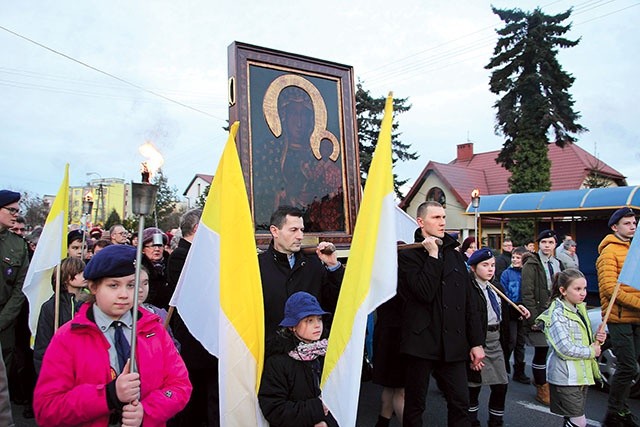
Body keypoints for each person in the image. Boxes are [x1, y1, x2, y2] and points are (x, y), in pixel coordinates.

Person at [33, 244, 192, 427]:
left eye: (132, 285)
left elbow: (180, 385)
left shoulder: (155, 330)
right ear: (93, 287)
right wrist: (109, 395)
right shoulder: (68, 337)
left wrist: (147, 411)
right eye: (113, 285)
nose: (124, 295)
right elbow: (47, 408)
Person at [398, 201, 485, 426]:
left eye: (444, 217)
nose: (443, 222)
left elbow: (469, 301)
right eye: (436, 217)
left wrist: (476, 342)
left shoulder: (456, 256)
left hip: (454, 343)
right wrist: (433, 256)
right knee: (415, 405)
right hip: (421, 343)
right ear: (421, 221)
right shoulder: (408, 255)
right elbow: (424, 292)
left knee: (460, 402)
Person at [166, 208, 219, 427]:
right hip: (193, 338)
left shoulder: (199, 255)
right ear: (198, 229)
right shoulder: (181, 256)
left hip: (205, 337)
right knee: (195, 396)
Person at [258, 206, 344, 341]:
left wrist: (334, 266)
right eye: (293, 230)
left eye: (302, 230)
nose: (300, 236)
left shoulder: (314, 265)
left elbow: (337, 305)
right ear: (275, 231)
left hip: (312, 354)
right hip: (272, 352)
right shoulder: (258, 267)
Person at [467, 248, 530, 427]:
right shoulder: (469, 289)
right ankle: (471, 421)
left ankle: (496, 421)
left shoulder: (496, 286)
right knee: (473, 385)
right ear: (473, 268)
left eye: (493, 265)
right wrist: (473, 344)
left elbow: (501, 310)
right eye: (485, 265)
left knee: (501, 384)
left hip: (496, 340)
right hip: (478, 341)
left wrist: (518, 309)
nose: (490, 269)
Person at [258, 291, 338, 427]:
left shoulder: (325, 353)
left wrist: (327, 423)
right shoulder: (277, 361)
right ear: (292, 326)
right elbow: (274, 409)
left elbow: (337, 399)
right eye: (309, 320)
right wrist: (317, 409)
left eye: (319, 319)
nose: (318, 325)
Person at [537, 268, 606, 427]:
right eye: (577, 289)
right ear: (563, 291)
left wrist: (597, 339)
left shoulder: (579, 309)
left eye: (584, 288)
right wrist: (591, 351)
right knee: (579, 421)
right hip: (566, 377)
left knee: (573, 419)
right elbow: (564, 348)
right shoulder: (556, 314)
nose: (583, 293)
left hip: (580, 375)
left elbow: (581, 339)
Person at [596, 207, 640, 426]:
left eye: (634, 223)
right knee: (628, 367)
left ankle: (621, 410)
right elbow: (609, 288)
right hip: (619, 317)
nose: (632, 226)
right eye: (627, 223)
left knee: (632, 368)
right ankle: (613, 413)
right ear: (615, 227)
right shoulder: (609, 252)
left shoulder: (636, 249)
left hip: (636, 318)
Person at [521, 229, 564, 406]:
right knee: (540, 350)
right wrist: (534, 319)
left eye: (551, 243)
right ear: (539, 244)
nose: (547, 246)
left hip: (555, 313)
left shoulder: (558, 263)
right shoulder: (531, 263)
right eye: (544, 242)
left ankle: (545, 381)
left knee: (553, 352)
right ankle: (541, 387)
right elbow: (527, 292)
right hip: (538, 313)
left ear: (555, 244)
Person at [33, 257, 87, 375]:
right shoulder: (51, 307)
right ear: (67, 277)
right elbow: (42, 347)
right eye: (79, 272)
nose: (84, 275)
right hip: (60, 371)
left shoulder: (88, 305)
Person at [0, 190, 29, 376]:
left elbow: (20, 287)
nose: (16, 214)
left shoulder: (18, 245)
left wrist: (3, 320)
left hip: (4, 320)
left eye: (17, 210)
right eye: (11, 210)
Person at [372, 291, 405, 427]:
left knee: (390, 387)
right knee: (401, 390)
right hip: (400, 335)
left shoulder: (381, 274)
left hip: (384, 332)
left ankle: (382, 422)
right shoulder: (406, 274)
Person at [500, 246, 531, 384]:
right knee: (510, 341)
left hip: (523, 312)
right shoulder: (507, 274)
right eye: (513, 257)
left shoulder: (527, 273)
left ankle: (519, 371)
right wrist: (513, 308)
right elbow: (504, 291)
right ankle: (504, 366)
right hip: (511, 310)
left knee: (520, 342)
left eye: (518, 257)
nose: (515, 260)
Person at [141, 227, 171, 309]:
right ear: (143, 249)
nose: (157, 249)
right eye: (153, 246)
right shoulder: (138, 267)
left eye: (160, 246)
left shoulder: (171, 264)